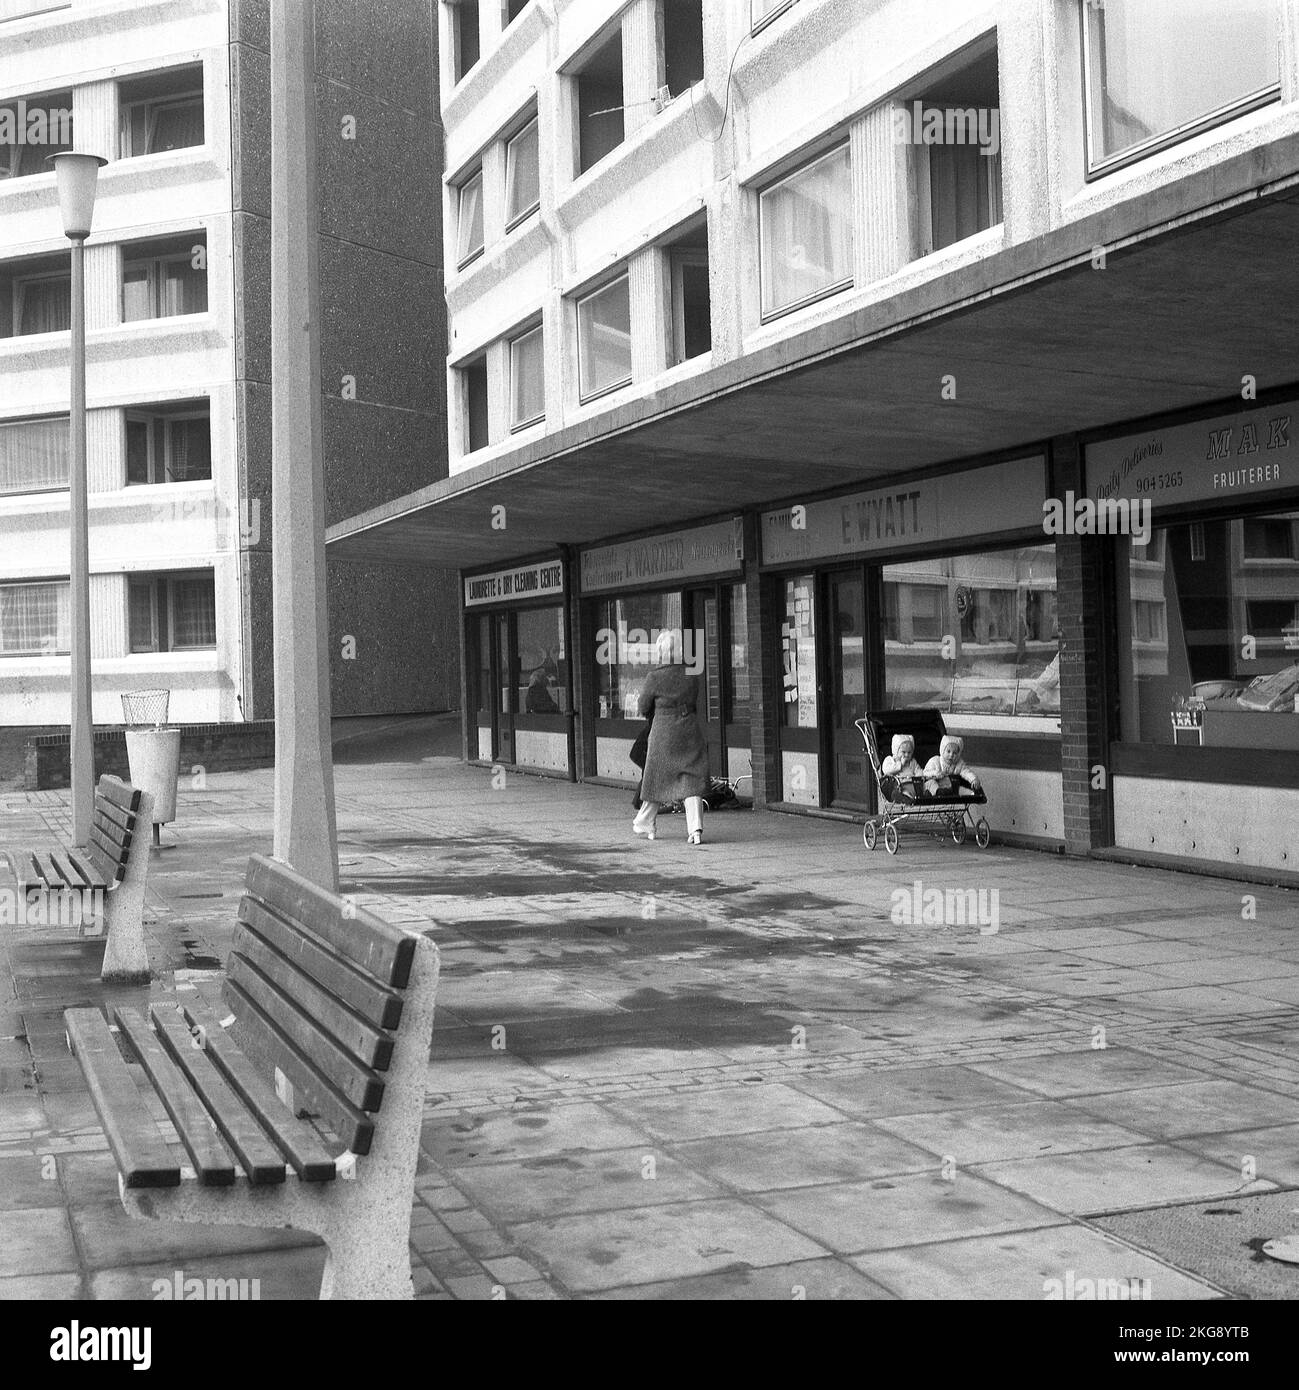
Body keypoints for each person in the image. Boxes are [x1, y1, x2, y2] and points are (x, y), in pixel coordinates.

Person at [632, 629, 708, 845]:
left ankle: (646, 822)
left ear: (661, 652)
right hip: (689, 730)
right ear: (680, 651)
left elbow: (643, 706)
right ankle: (695, 830)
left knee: (656, 778)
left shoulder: (655, 677)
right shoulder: (691, 674)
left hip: (664, 733)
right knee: (691, 779)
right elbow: (694, 699)